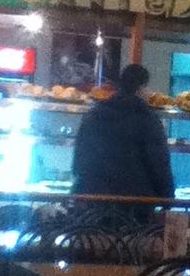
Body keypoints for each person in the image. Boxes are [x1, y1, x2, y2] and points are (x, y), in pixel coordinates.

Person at [72, 64, 174, 200]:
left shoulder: (94, 114)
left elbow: (80, 155)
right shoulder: (147, 119)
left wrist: (80, 187)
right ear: (141, 88)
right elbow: (158, 162)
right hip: (134, 198)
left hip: (93, 194)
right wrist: (167, 197)